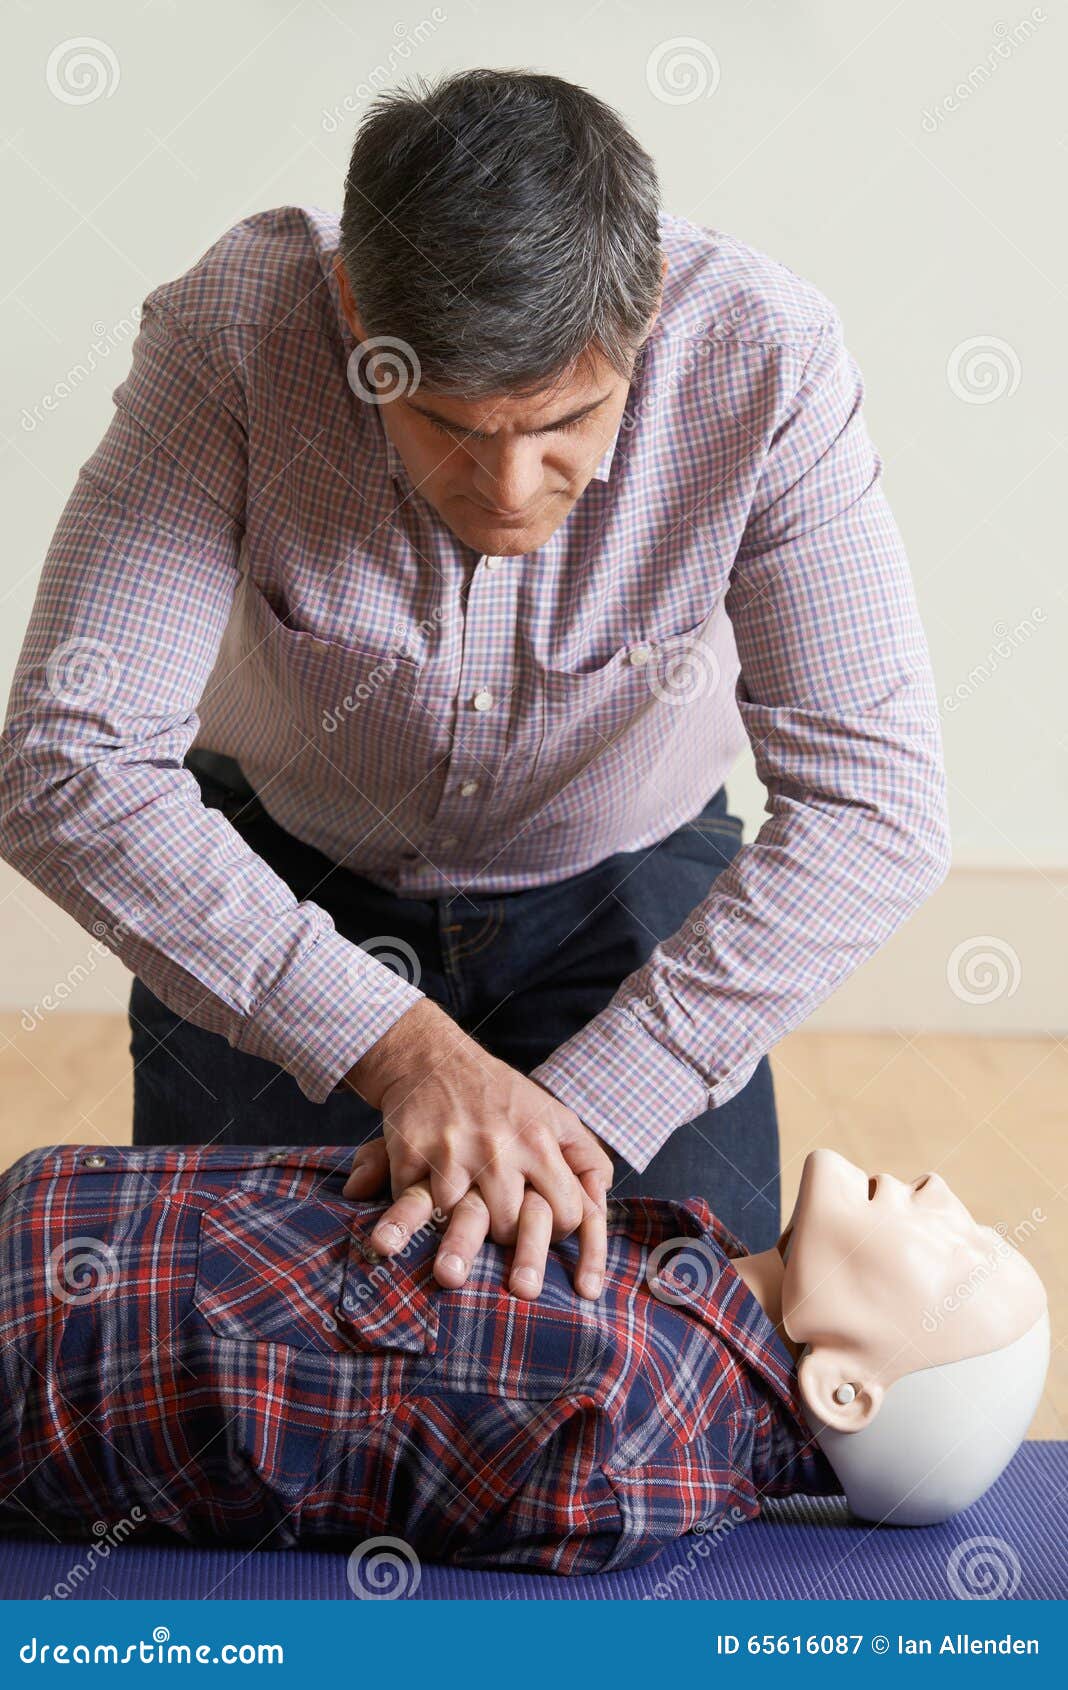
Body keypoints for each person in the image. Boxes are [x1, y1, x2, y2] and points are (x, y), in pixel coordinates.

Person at [0, 70, 951, 1289]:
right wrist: (397, 1050)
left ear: (648, 306)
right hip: (281, 870)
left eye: (567, 420)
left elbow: (878, 808)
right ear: (355, 313)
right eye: (451, 422)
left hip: (627, 898)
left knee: (681, 1370)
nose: (510, 491)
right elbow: (64, 759)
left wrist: (574, 1116)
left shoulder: (767, 358)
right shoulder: (237, 332)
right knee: (217, 1369)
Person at [0, 1145, 1045, 1574]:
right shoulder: (676, 1277)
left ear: (844, 1387)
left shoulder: (623, 1403)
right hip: (55, 1223)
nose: (941, 1191)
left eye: (960, 1258)